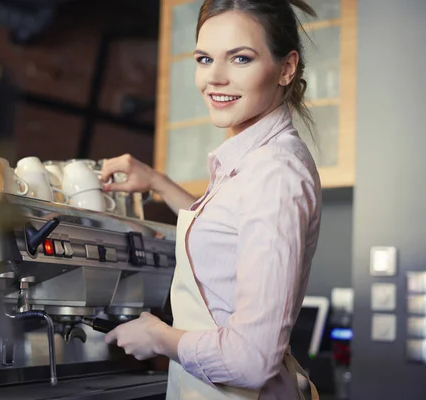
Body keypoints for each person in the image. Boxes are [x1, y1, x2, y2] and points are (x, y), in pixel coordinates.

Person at [101, 0, 322, 399]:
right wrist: (157, 181)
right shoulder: (254, 161)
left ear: (286, 68)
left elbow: (252, 359)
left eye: (240, 58)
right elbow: (225, 233)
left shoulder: (276, 175)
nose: (214, 78)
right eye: (204, 59)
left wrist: (159, 337)